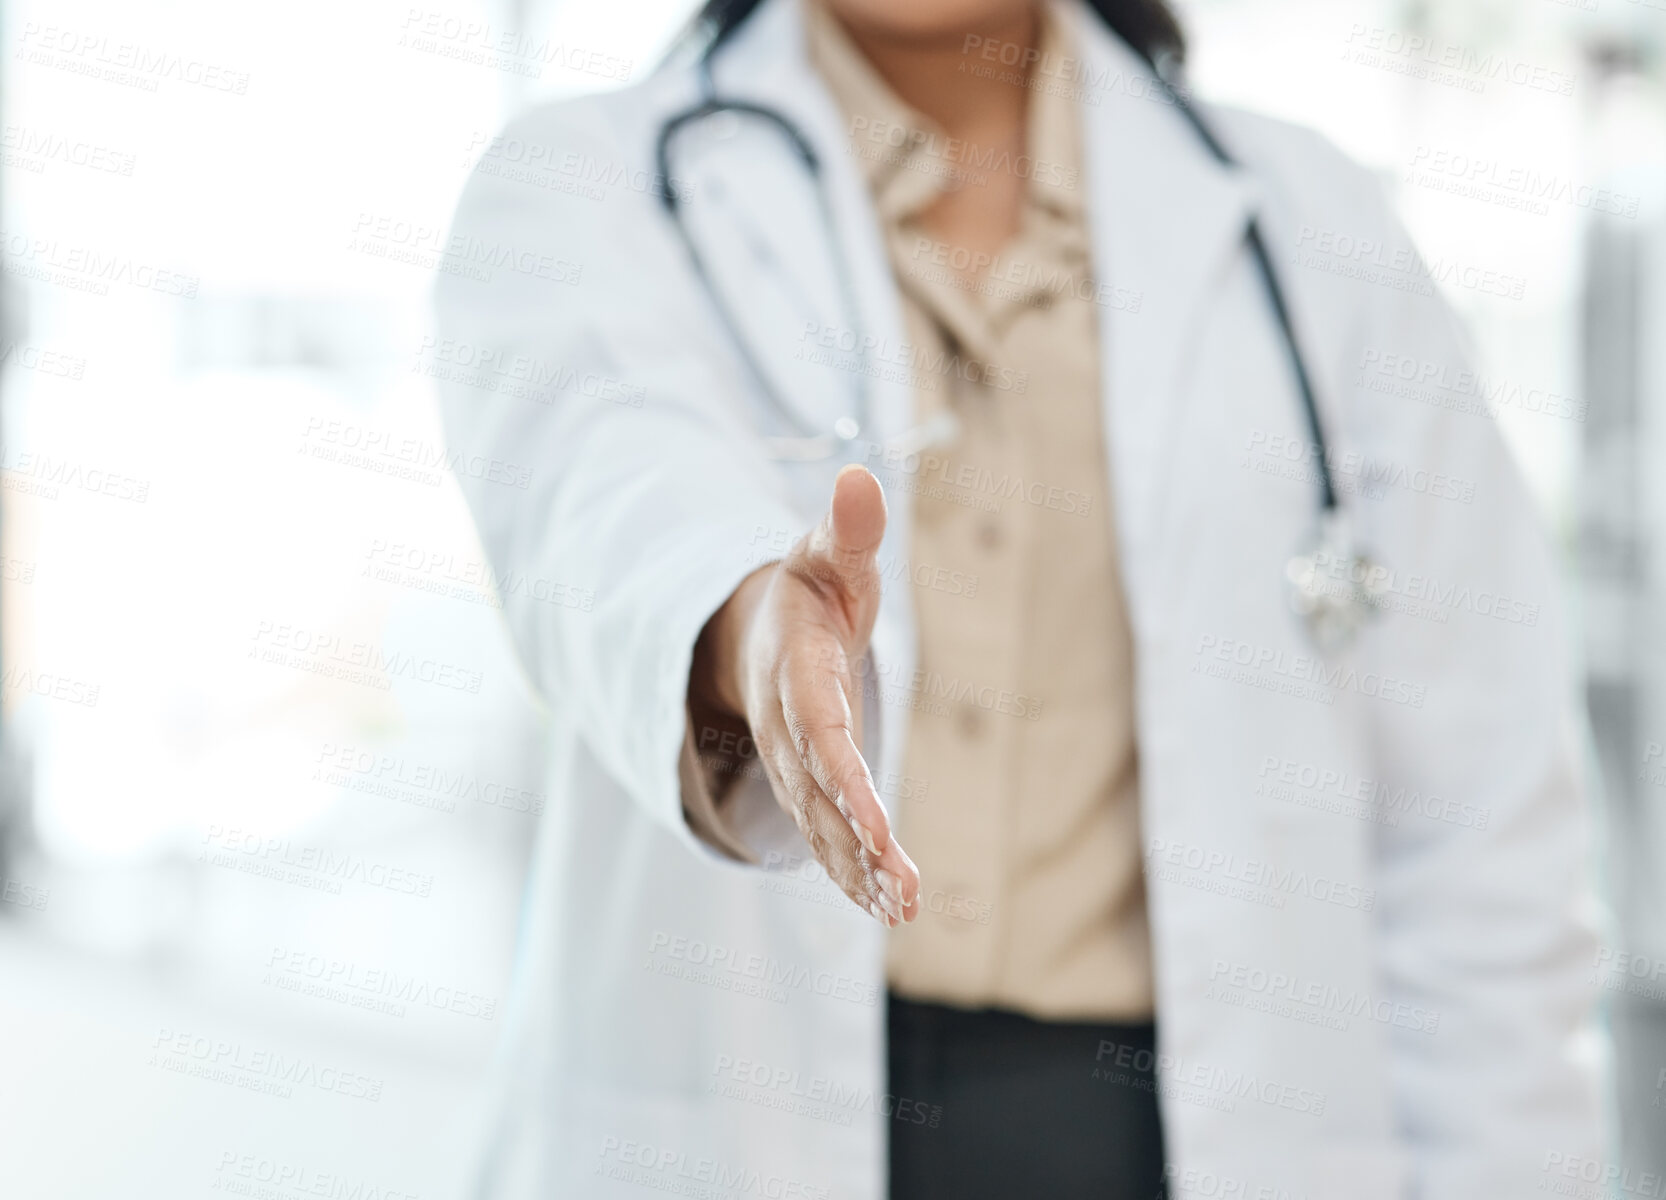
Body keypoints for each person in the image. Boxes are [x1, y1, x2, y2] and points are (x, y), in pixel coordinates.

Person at [434, 0, 1609, 1196]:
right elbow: (611, 500)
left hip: (1189, 1138)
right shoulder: (590, 184)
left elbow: (1479, 846)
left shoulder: (1315, 231)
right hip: (757, 1127)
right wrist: (746, 633)